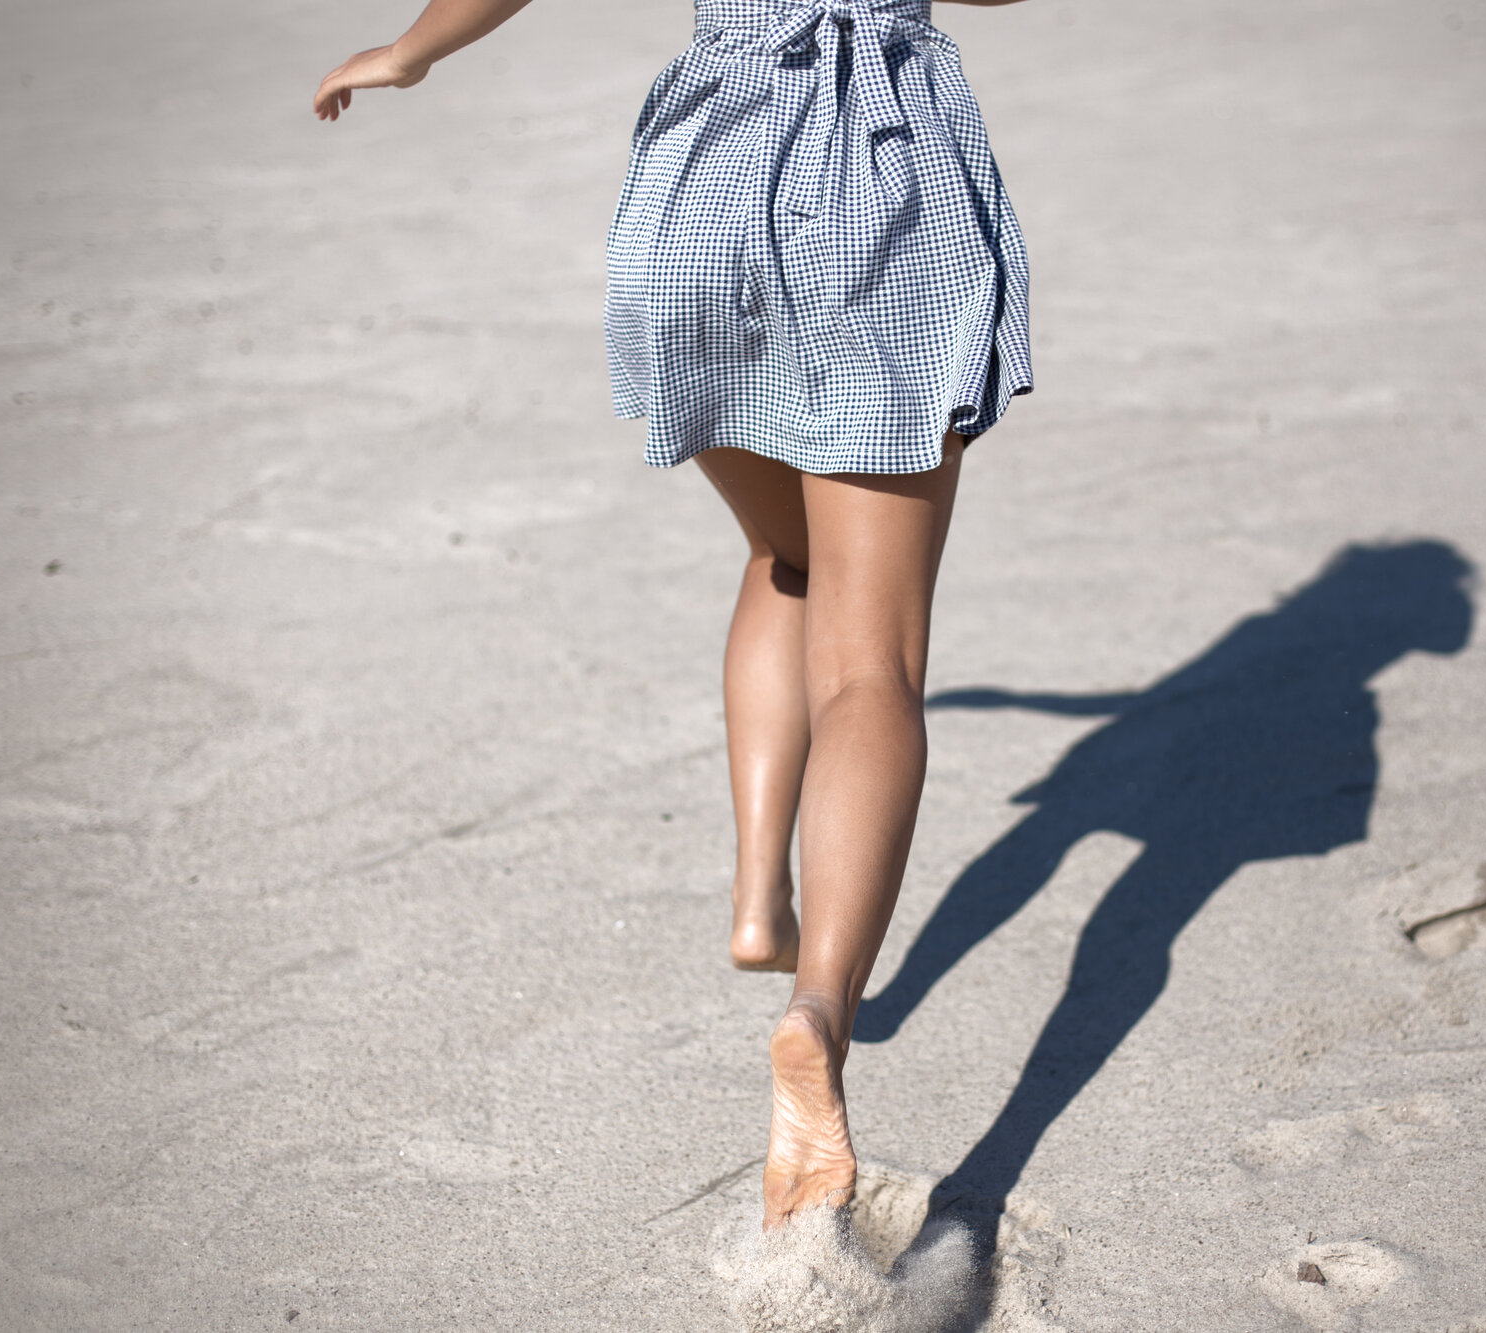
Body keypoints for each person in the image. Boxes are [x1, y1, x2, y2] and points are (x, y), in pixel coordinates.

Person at [314, 0, 1032, 1230]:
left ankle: (761, 894)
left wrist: (415, 48)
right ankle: (816, 1009)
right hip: (877, 193)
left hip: (703, 190)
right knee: (870, 669)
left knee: (784, 550)